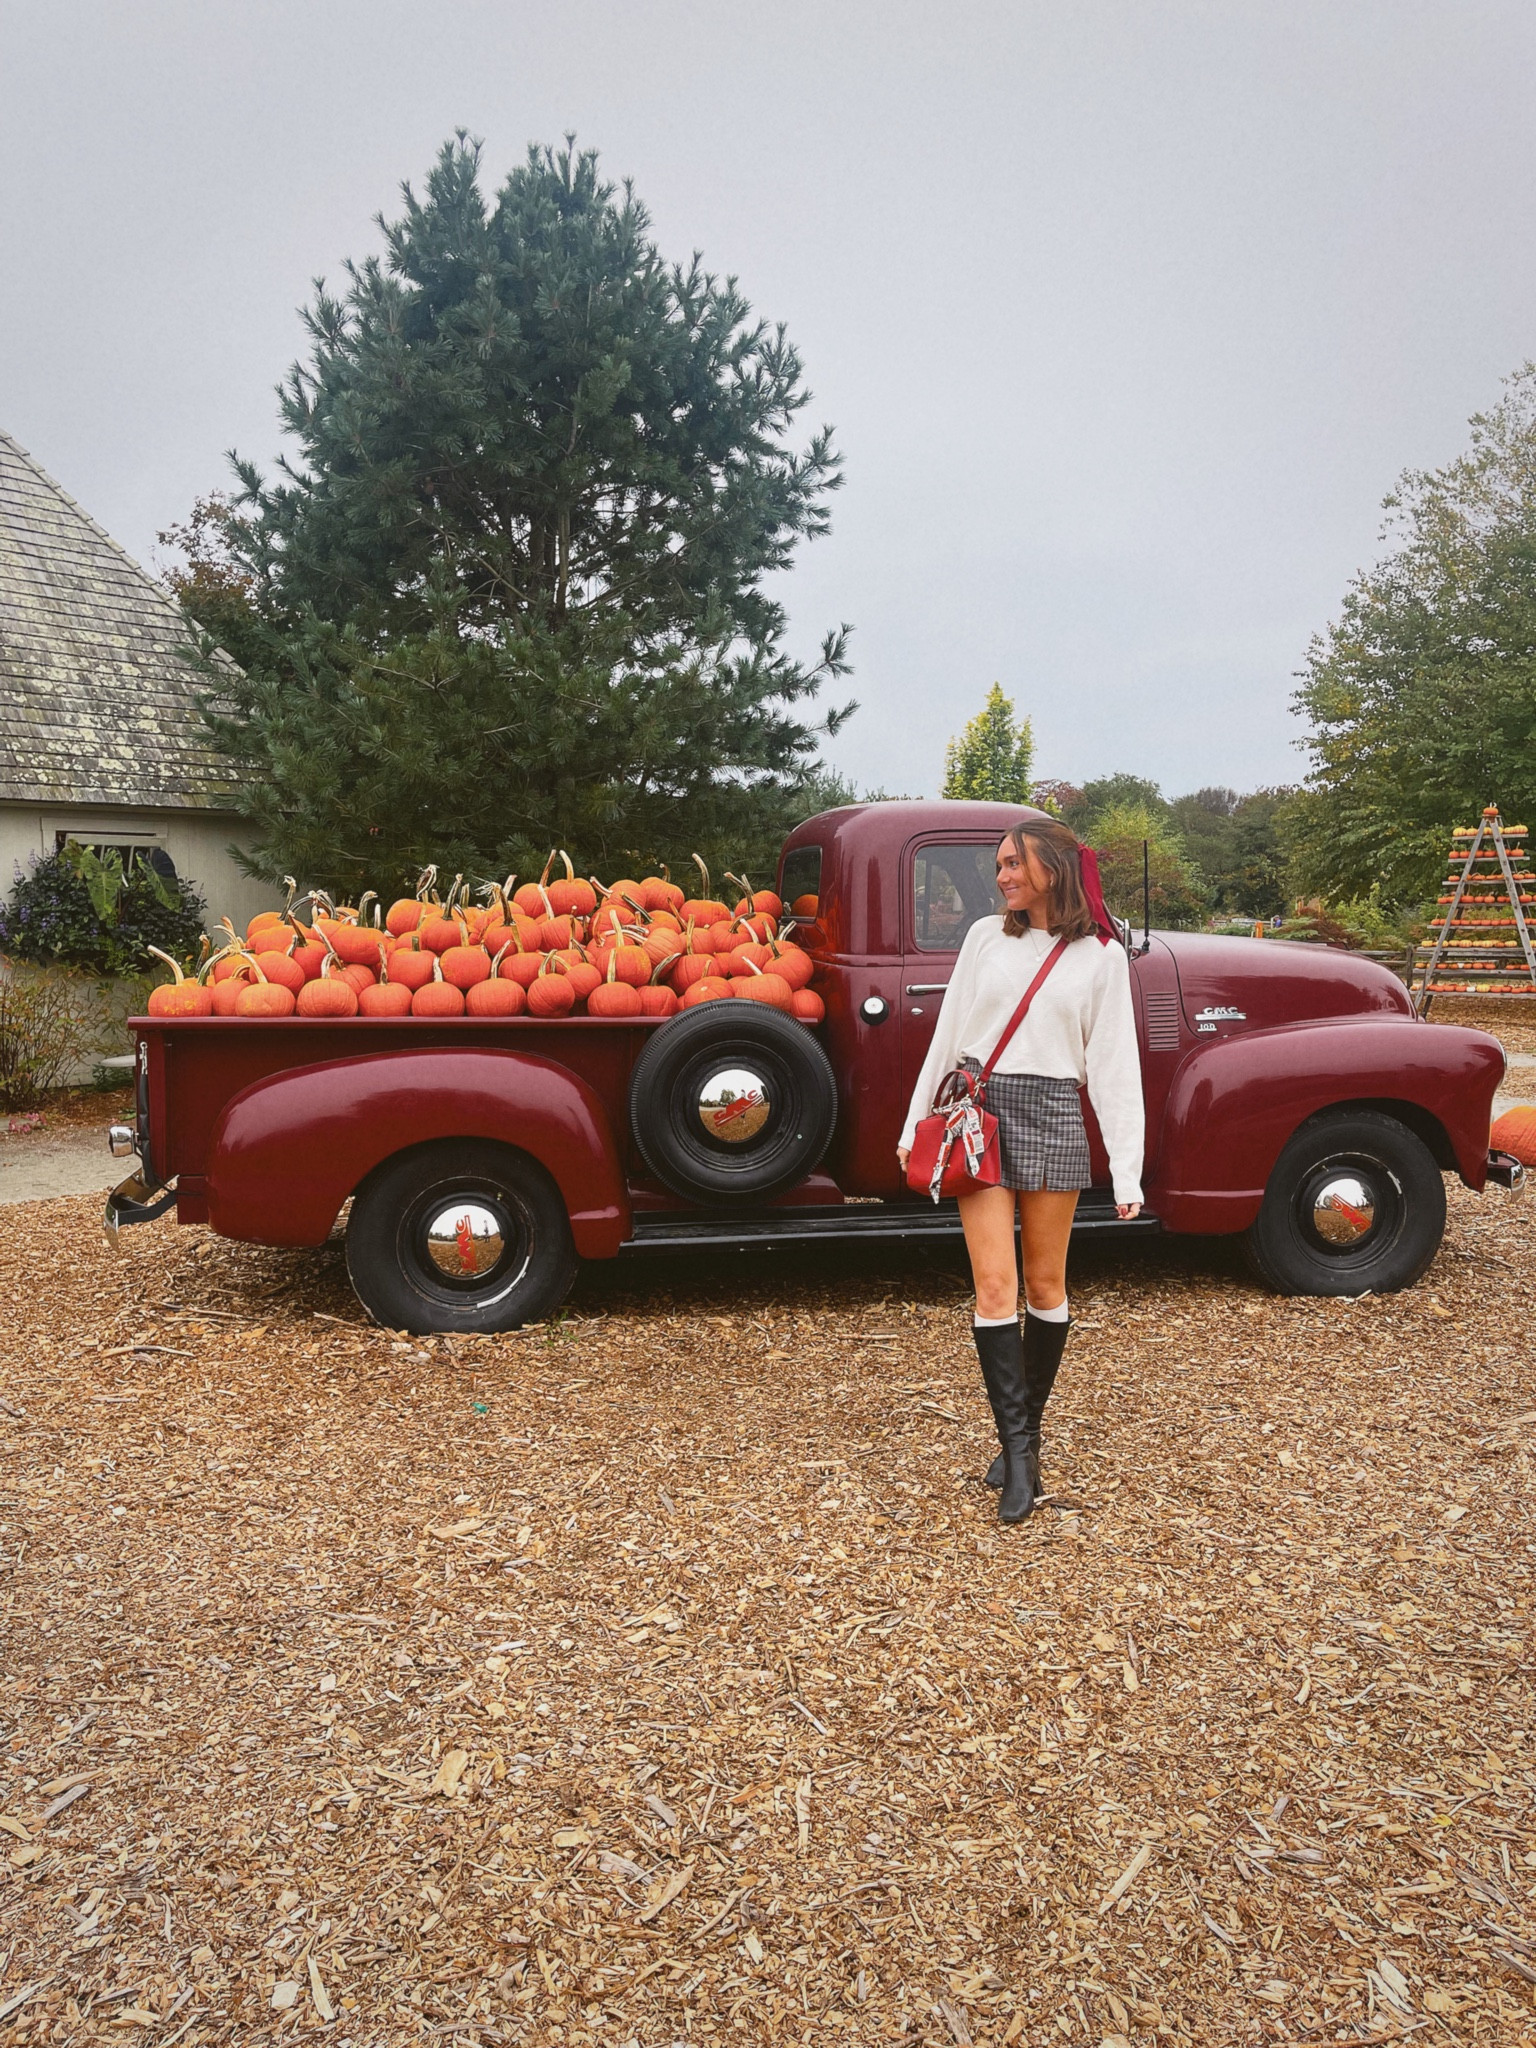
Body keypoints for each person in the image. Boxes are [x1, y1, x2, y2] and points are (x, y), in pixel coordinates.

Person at [897, 818, 1144, 1524]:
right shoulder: (984, 937)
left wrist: (1127, 1170)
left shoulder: (1102, 956)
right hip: (979, 1113)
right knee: (995, 1284)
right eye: (999, 864)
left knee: (1044, 1282)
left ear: (1052, 870)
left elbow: (1116, 1067)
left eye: (1013, 863)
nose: (1001, 875)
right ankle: (1020, 1455)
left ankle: (1024, 1440)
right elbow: (948, 1037)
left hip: (1056, 1111)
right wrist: (917, 1123)